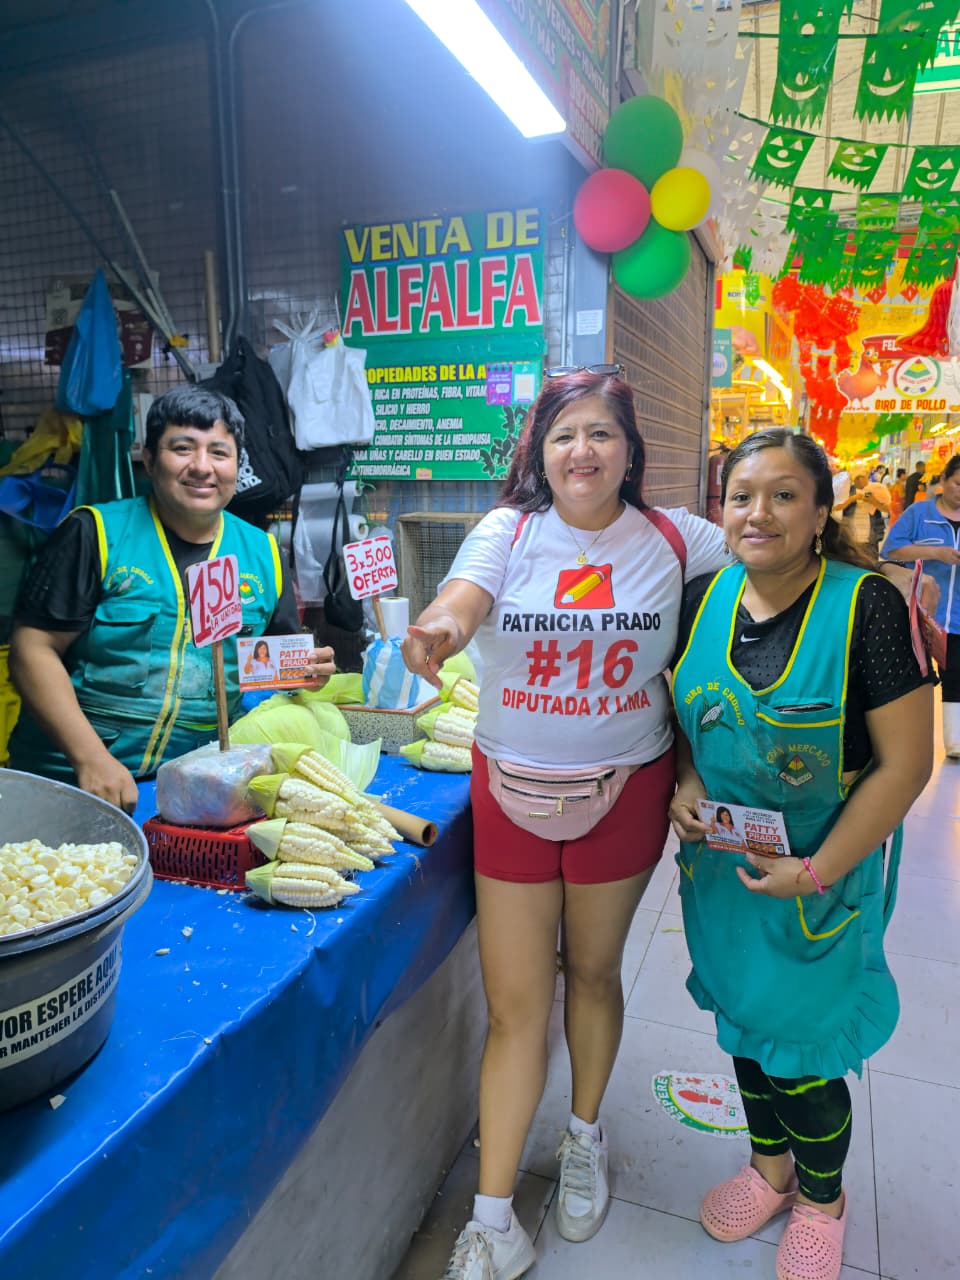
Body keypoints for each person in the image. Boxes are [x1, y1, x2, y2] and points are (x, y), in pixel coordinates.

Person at [401, 366, 732, 1279]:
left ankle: (585, 1137)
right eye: (563, 435)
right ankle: (494, 1220)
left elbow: (766, 562)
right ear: (539, 453)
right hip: (509, 791)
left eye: (600, 433)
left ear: (630, 449)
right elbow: (462, 600)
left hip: (626, 790)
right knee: (515, 1008)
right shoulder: (507, 531)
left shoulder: (677, 537)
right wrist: (437, 632)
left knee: (590, 974)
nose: (581, 451)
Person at [669, 428, 932, 1280]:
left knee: (805, 1058)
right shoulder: (705, 596)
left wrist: (815, 871)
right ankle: (769, 1172)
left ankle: (823, 1201)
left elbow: (907, 765)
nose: (759, 513)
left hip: (821, 878)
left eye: (784, 495)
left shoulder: (868, 608)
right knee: (746, 1030)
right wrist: (684, 781)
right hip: (726, 874)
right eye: (741, 496)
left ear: (822, 513)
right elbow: (688, 717)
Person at [9, 385, 334, 812]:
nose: (202, 466)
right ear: (149, 460)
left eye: (219, 453)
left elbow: (273, 663)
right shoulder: (96, 533)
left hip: (196, 789)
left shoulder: (263, 554)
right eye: (182, 448)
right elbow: (32, 650)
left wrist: (307, 671)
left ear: (237, 465)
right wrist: (89, 758)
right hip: (69, 781)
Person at [883, 452, 960, 757]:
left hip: (957, 617)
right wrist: (936, 553)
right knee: (915, 678)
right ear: (944, 481)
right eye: (958, 483)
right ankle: (902, 744)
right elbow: (891, 550)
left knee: (955, 676)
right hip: (922, 614)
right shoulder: (919, 513)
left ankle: (954, 741)